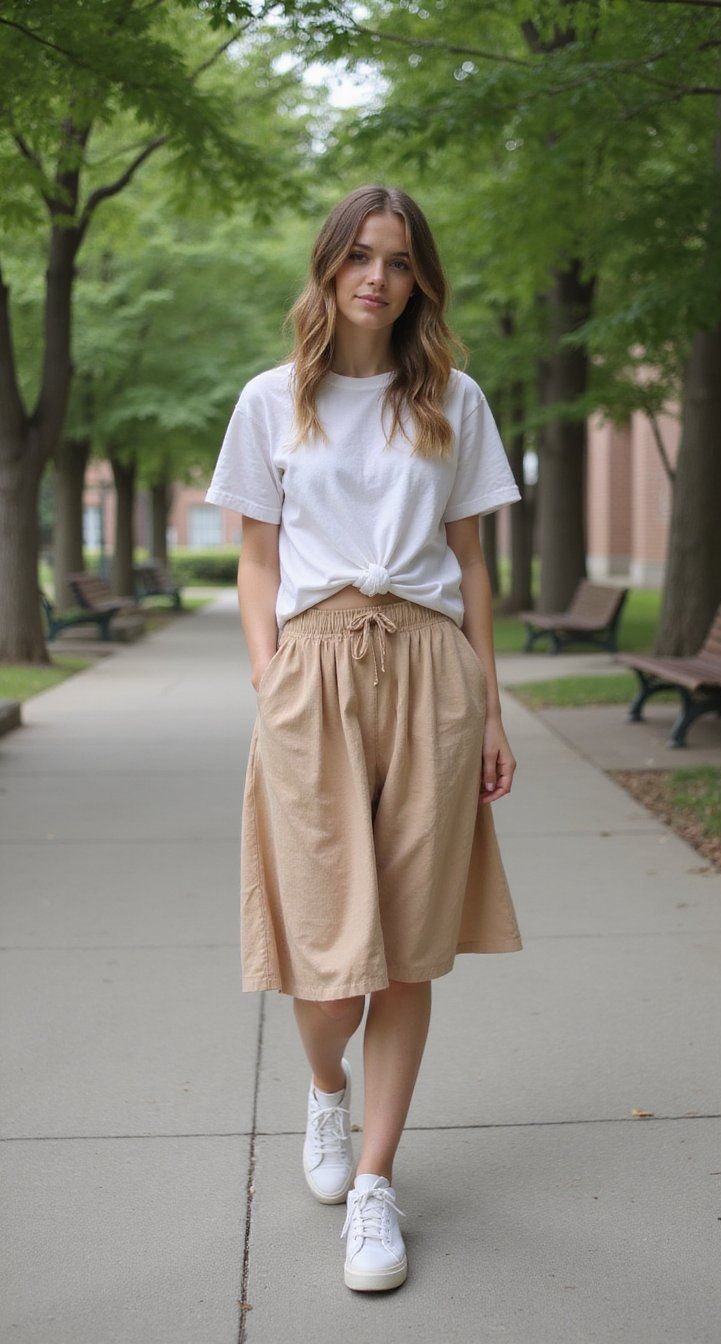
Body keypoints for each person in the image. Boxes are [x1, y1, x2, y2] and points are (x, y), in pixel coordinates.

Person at [204, 183, 524, 1294]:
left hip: (430, 668)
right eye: (358, 256)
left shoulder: (453, 399)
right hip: (314, 670)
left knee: (410, 944)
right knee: (332, 958)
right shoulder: (271, 399)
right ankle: (327, 1088)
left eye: (396, 260)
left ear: (418, 278)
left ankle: (377, 1183)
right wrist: (269, 672)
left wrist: (490, 706)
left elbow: (471, 564)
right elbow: (256, 557)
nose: (376, 278)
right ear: (328, 266)